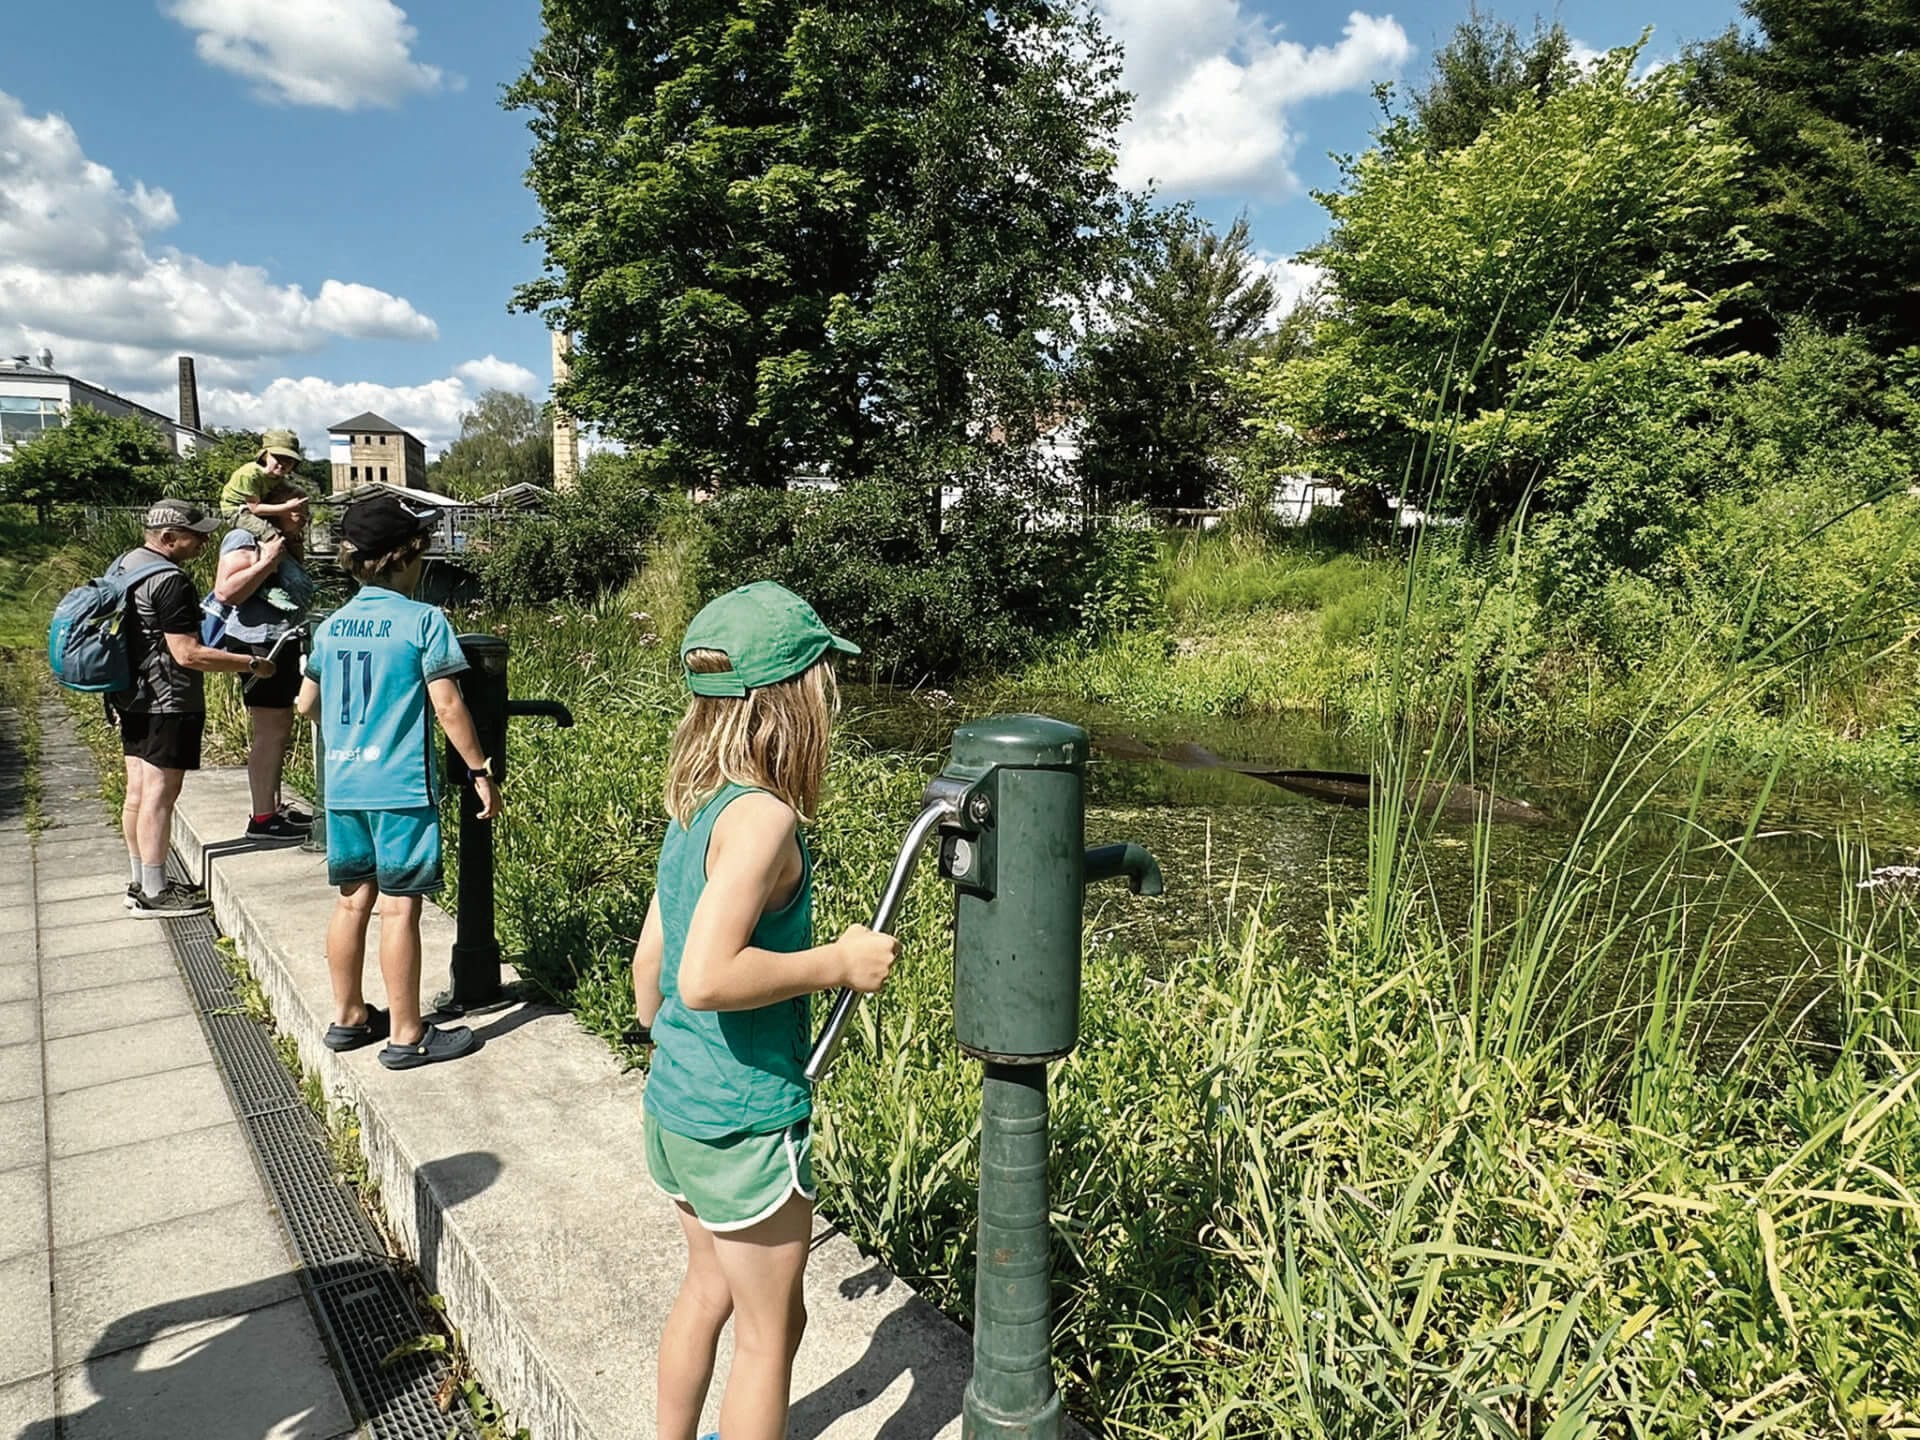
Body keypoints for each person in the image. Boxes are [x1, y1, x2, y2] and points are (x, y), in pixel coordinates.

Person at [632, 581, 897, 1440]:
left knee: (704, 1292)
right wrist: (840, 963)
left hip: (677, 1105)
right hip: (744, 1119)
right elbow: (706, 976)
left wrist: (677, 1047)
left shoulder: (695, 802)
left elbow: (653, 976)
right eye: (823, 685)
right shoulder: (764, 819)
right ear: (795, 701)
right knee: (771, 1334)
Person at [294, 493, 498, 1070]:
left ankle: (348, 1016)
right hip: (401, 787)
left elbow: (306, 703)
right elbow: (449, 704)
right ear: (408, 557)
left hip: (345, 786)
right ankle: (407, 1034)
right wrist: (480, 771)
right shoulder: (424, 620)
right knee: (401, 907)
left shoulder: (332, 626)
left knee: (353, 900)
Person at [111, 499, 278, 919]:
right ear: (167, 538)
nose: (205, 541)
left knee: (137, 791)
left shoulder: (125, 563)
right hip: (167, 699)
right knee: (160, 795)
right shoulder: (170, 582)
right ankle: (155, 891)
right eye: (195, 535)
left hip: (128, 693)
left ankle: (140, 881)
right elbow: (188, 654)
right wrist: (253, 663)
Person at [208, 480, 318, 841]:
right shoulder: (244, 539)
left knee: (279, 728)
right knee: (269, 732)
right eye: (292, 507)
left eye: (303, 508)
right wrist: (268, 561)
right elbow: (227, 591)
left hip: (280, 641)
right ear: (270, 508)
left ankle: (272, 807)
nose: (300, 514)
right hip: (259, 645)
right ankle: (262, 818)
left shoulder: (284, 542)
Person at [220, 430, 309, 612]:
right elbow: (254, 508)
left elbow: (291, 491)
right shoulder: (250, 474)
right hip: (237, 510)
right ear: (264, 455)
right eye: (278, 457)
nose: (283, 464)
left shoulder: (276, 479)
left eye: (289, 461)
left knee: (278, 540)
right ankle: (266, 587)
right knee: (272, 538)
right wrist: (285, 508)